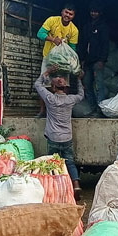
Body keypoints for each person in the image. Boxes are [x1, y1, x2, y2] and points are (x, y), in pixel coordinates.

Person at [35, 67, 85, 195]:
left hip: (53, 137)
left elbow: (37, 84)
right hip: (67, 137)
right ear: (66, 88)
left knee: (52, 162)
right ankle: (76, 185)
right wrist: (79, 80)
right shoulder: (70, 100)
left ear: (53, 88)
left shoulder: (50, 98)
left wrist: (47, 72)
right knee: (70, 162)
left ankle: (55, 187)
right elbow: (81, 95)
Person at [81, 2, 110, 107]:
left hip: (98, 60)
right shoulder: (87, 26)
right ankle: (91, 107)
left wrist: (102, 60)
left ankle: (100, 108)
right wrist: (82, 59)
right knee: (87, 84)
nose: (93, 13)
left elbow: (105, 44)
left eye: (96, 12)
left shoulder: (103, 27)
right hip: (87, 61)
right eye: (92, 11)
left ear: (100, 13)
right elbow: (83, 43)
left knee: (98, 85)